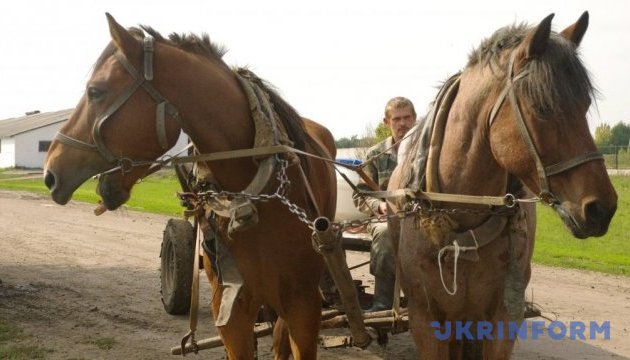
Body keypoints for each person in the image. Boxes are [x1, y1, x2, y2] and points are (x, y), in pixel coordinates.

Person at [353, 96, 416, 312]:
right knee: (386, 232)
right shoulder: (375, 156)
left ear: (415, 119)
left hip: (424, 217)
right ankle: (382, 302)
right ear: (386, 122)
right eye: (396, 119)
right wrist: (380, 207)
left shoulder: (427, 151)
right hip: (385, 218)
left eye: (407, 118)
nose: (402, 124)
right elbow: (360, 195)